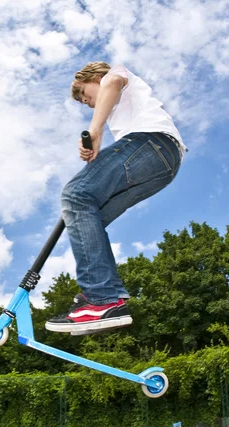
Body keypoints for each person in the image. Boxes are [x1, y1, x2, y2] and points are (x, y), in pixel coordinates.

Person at [45, 62, 187, 336]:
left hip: (151, 143)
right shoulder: (122, 112)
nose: (87, 103)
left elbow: (111, 85)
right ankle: (105, 299)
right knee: (88, 216)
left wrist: (95, 132)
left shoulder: (115, 74)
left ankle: (101, 297)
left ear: (95, 77)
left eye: (85, 94)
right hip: (162, 165)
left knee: (75, 194)